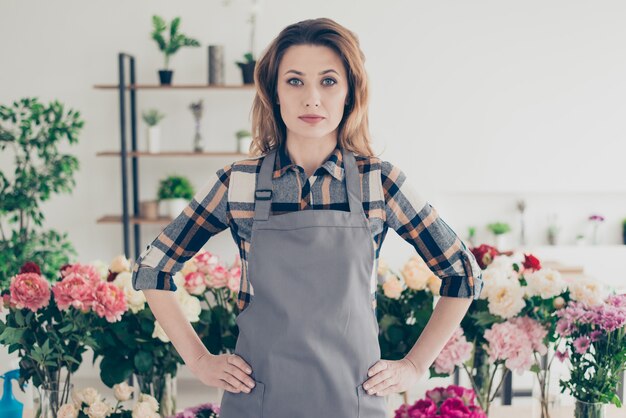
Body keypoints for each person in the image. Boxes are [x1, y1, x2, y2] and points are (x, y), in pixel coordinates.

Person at [131, 17, 483, 418]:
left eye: (329, 81)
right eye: (295, 81)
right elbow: (153, 268)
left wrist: (414, 366)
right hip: (257, 401)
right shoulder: (239, 183)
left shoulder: (378, 183)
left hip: (352, 402)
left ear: (350, 93)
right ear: (274, 93)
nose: (311, 98)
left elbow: (463, 273)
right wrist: (199, 361)